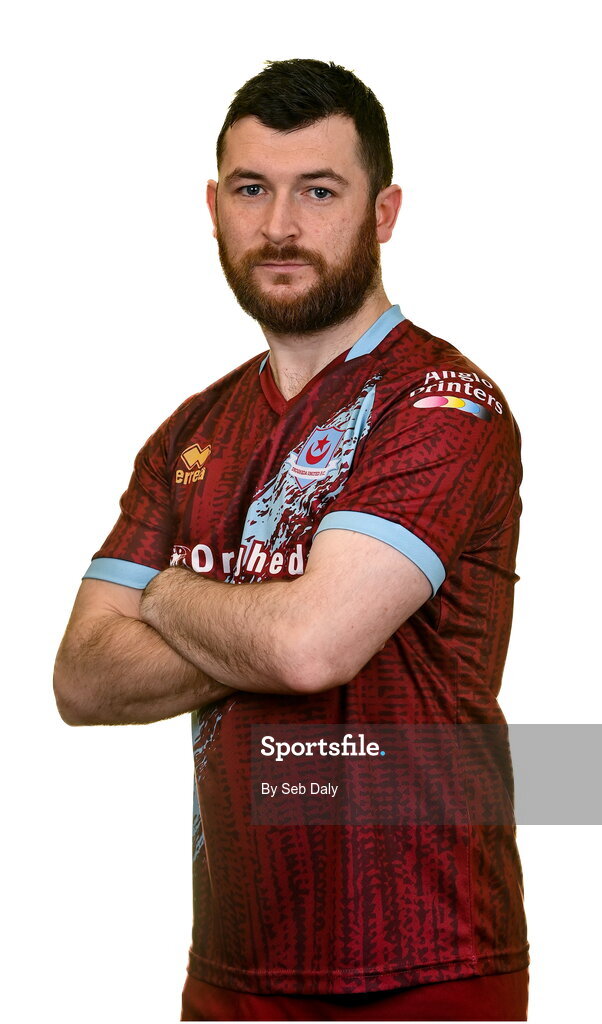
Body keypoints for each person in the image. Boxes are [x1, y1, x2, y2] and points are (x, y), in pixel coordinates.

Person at [53, 58, 530, 1022]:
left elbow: (309, 645)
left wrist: (170, 592)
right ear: (214, 208)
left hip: (426, 958)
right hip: (232, 969)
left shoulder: (442, 404)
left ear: (384, 212)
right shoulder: (190, 432)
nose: (280, 226)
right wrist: (267, 619)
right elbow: (81, 680)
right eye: (251, 190)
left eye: (319, 191)